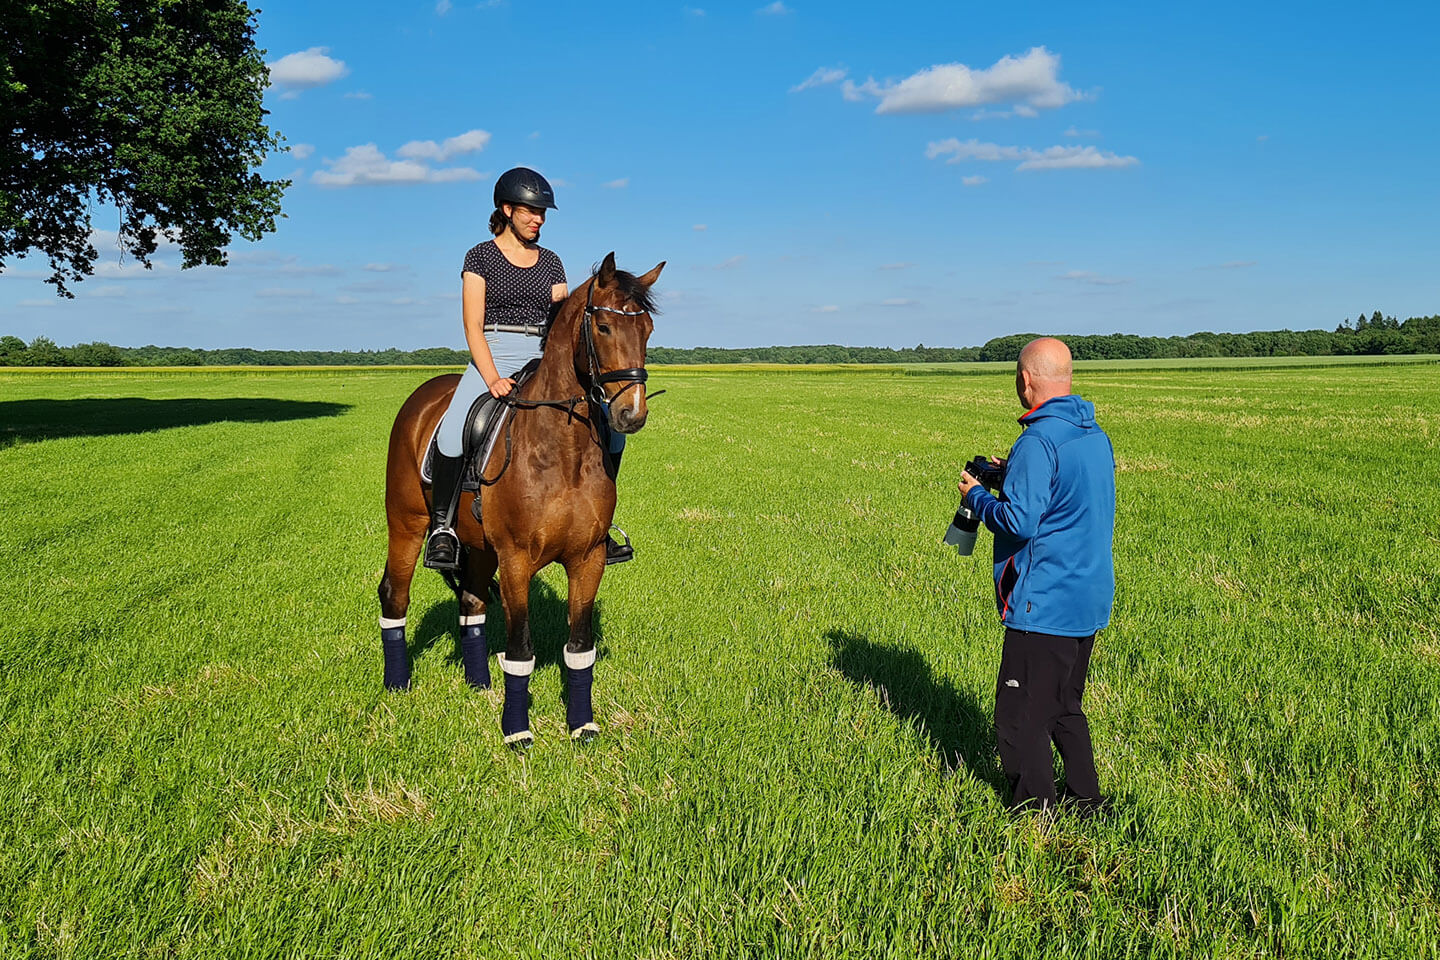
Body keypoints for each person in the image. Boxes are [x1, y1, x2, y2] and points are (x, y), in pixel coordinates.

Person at [426, 166, 634, 570]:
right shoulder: (480, 257)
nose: (538, 219)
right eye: (530, 211)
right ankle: (443, 528)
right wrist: (491, 378)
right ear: (506, 209)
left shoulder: (551, 261)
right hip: (495, 349)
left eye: (542, 213)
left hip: (542, 356)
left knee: (613, 435)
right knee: (453, 431)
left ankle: (599, 527)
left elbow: (564, 320)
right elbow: (472, 324)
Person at [957, 337, 1116, 814]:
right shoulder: (1092, 436)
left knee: (1019, 718)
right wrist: (1014, 475)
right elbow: (1066, 497)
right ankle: (1086, 799)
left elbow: (1019, 522)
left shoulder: (1037, 441)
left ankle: (1035, 815)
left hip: (1041, 603)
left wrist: (978, 498)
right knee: (1064, 706)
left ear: (1026, 381)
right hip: (1086, 600)